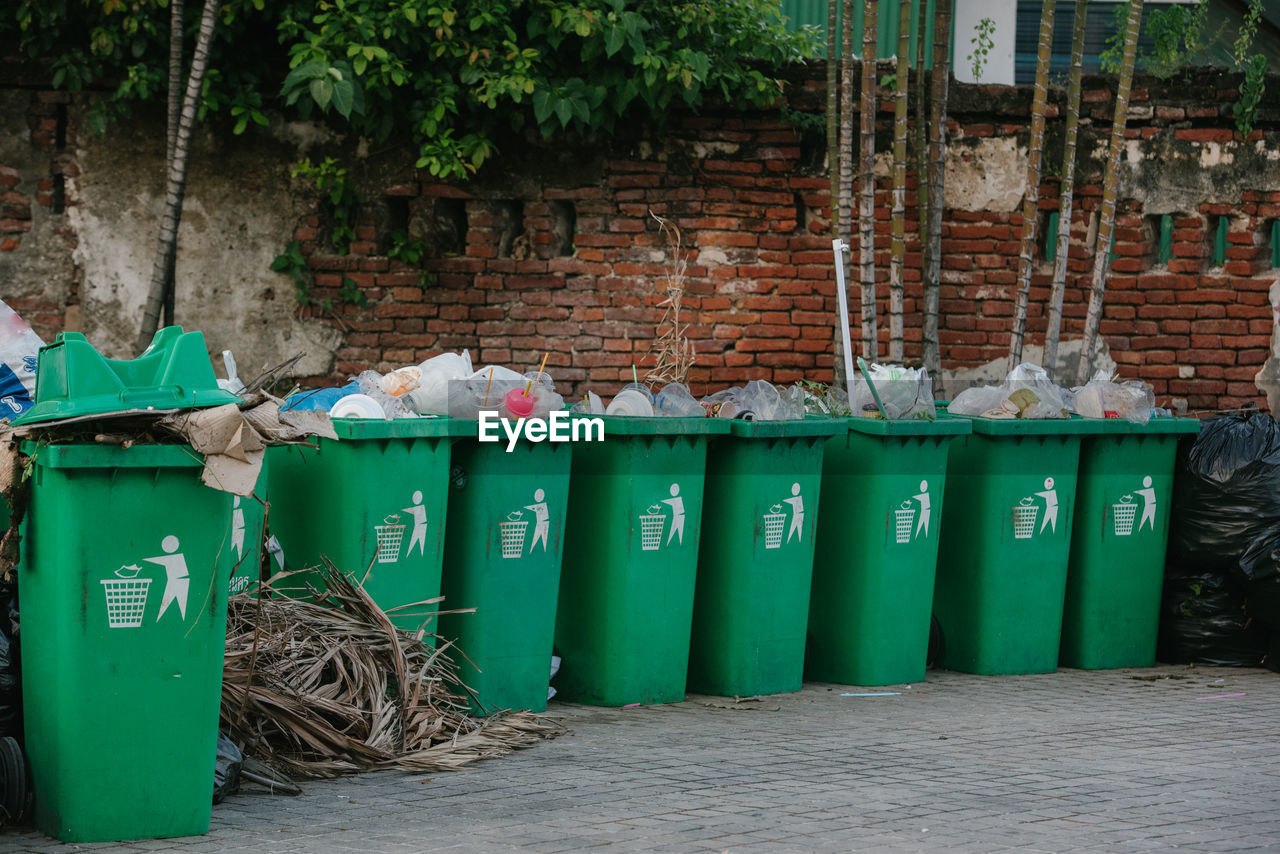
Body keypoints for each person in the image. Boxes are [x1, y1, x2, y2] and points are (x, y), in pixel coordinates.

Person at [148, 535, 189, 622]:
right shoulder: (177, 557)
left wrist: (147, 559)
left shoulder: (176, 557)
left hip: (178, 580)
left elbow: (161, 559)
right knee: (170, 606)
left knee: (177, 606)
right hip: (178, 580)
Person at [404, 490, 428, 556]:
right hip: (420, 525)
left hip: (420, 526)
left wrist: (403, 510)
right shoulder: (419, 507)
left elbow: (411, 510)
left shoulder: (420, 507)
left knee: (418, 543)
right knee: (416, 542)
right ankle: (410, 554)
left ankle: (410, 554)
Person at [526, 488, 551, 552]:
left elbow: (533, 507)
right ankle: (532, 550)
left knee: (543, 539)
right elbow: (533, 507)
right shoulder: (540, 505)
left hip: (544, 523)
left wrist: (525, 507)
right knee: (536, 539)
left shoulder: (542, 505)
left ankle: (540, 550)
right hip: (540, 523)